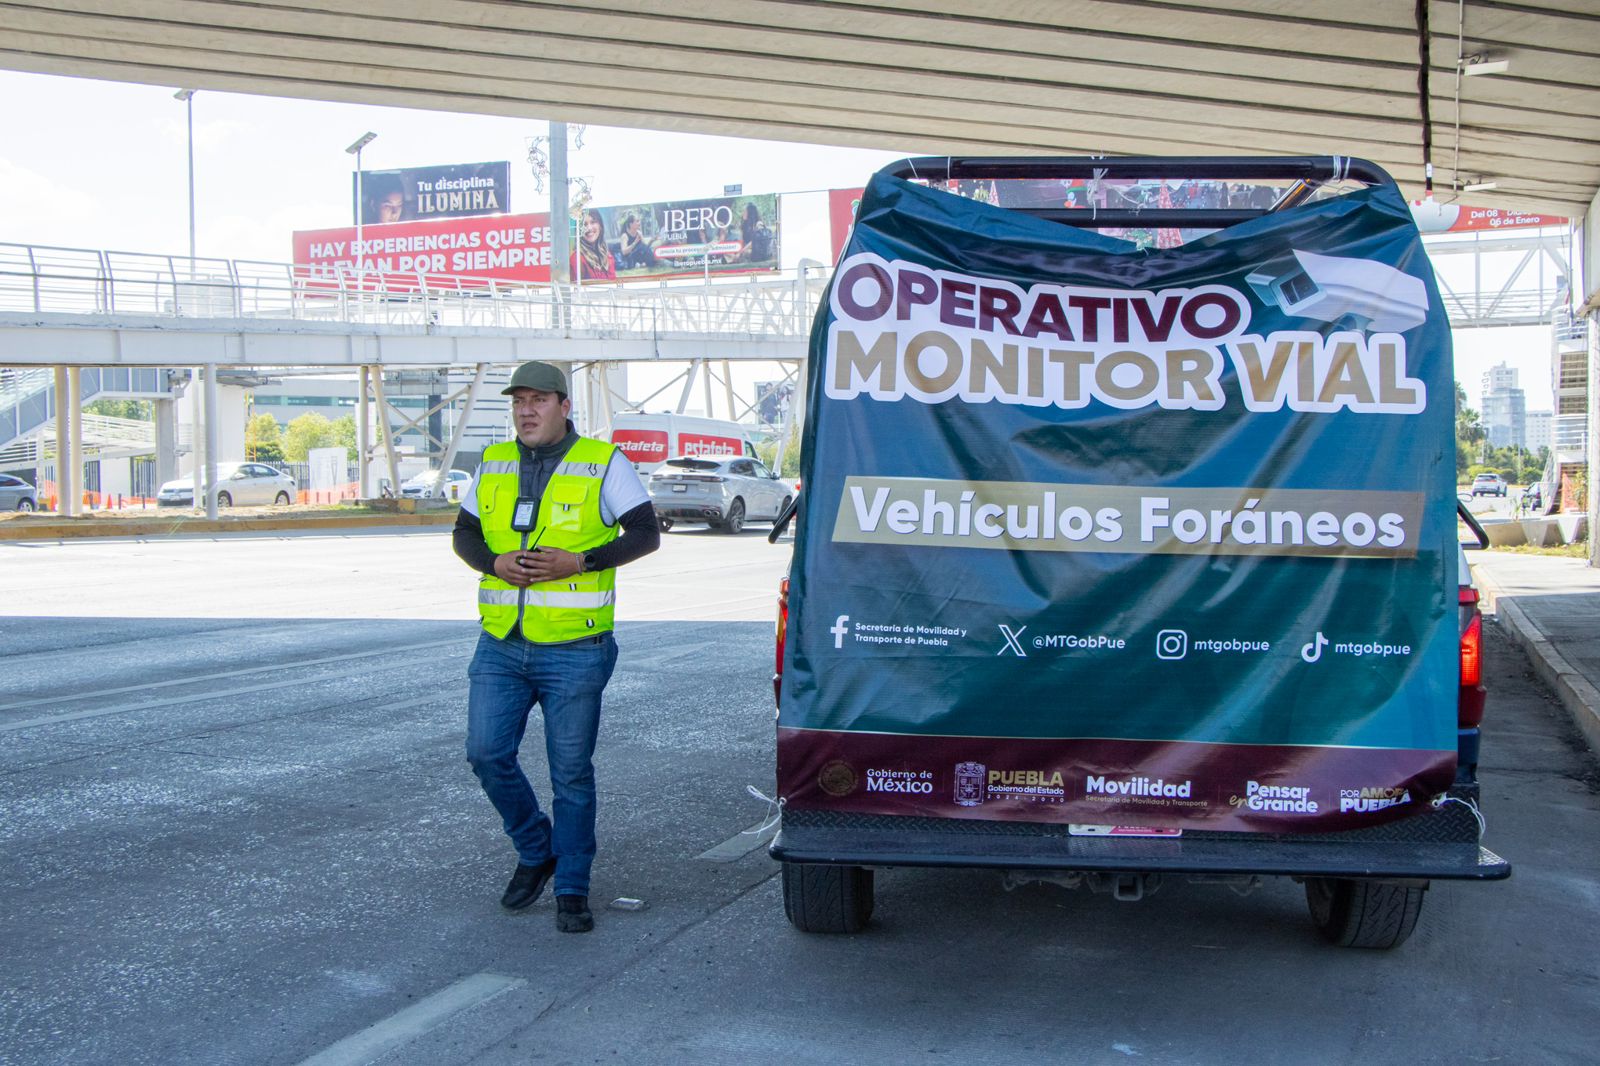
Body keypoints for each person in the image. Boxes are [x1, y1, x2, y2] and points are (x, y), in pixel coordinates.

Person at [452, 360, 660, 932]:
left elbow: (646, 533)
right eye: (518, 401)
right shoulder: (494, 461)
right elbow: (464, 534)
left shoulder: (602, 461)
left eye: (538, 400)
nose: (526, 410)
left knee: (570, 774)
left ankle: (572, 885)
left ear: (564, 407)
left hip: (575, 648)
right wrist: (493, 562)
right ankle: (535, 847)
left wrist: (582, 561)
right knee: (485, 753)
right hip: (501, 642)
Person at [571, 209, 617, 282]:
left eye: (593, 222)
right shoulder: (577, 259)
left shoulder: (607, 255)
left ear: (600, 226)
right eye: (584, 224)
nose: (589, 228)